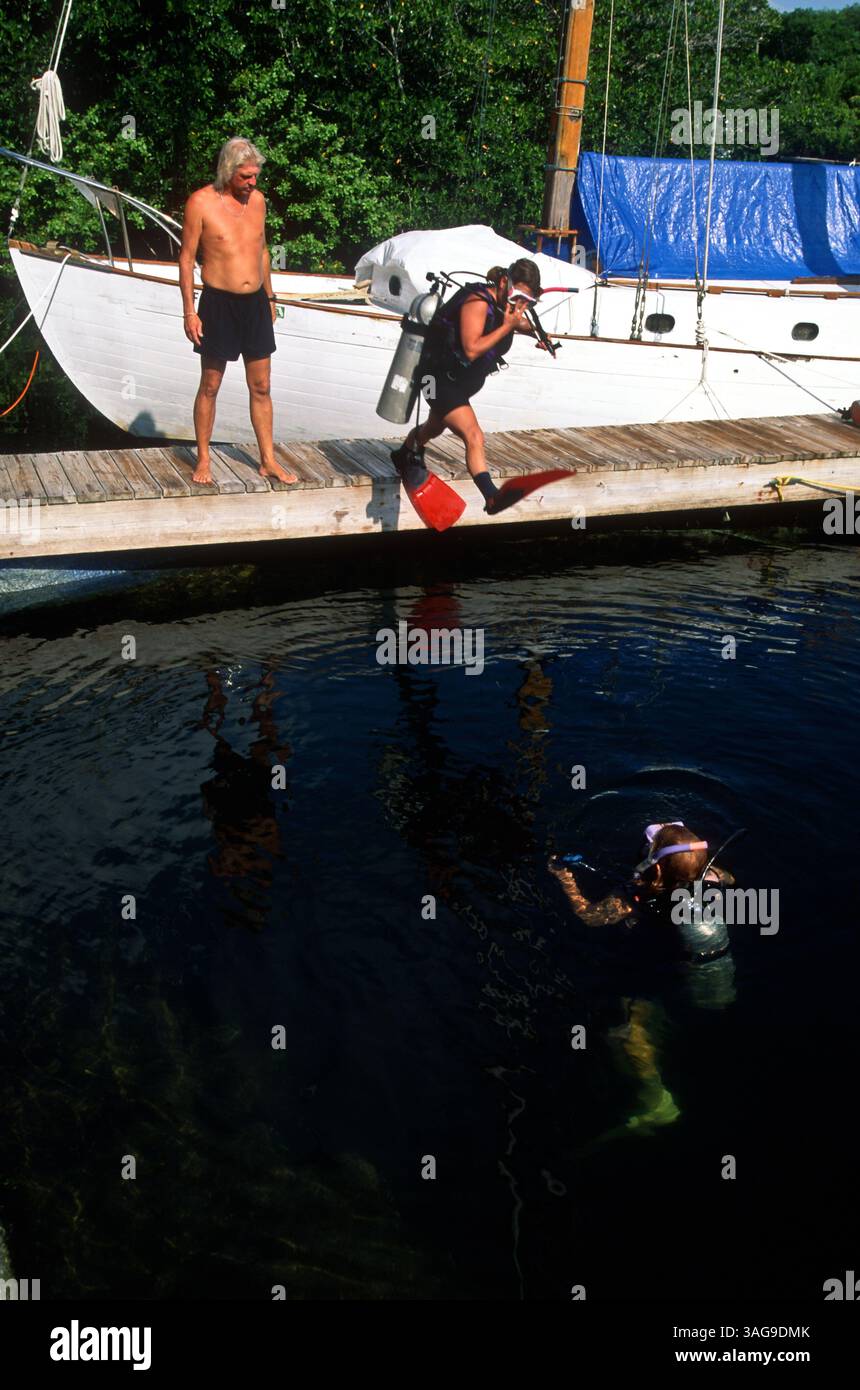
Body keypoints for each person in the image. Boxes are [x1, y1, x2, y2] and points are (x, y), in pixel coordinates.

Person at [549, 821, 737, 1136]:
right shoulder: (715, 880)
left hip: (650, 971)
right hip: (697, 971)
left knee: (625, 1029)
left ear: (658, 870)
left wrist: (564, 878)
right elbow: (729, 877)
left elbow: (590, 916)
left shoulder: (634, 899)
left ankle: (657, 1099)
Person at [392, 261, 560, 514]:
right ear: (504, 283)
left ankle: (405, 453)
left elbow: (522, 324)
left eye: (527, 301)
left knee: (435, 427)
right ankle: (492, 496)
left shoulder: (507, 308)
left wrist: (539, 336)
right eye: (517, 296)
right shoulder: (477, 302)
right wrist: (508, 326)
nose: (520, 305)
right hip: (434, 380)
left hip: (455, 384)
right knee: (474, 435)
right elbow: (471, 350)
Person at [178, 137, 297, 487]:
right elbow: (186, 260)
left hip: (256, 305)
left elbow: (261, 250)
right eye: (246, 176)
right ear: (229, 172)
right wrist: (189, 312)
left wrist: (271, 298)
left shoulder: (257, 202)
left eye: (256, 175)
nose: (253, 183)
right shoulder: (200, 203)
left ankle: (268, 460)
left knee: (262, 385)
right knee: (211, 385)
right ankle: (203, 459)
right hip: (218, 305)